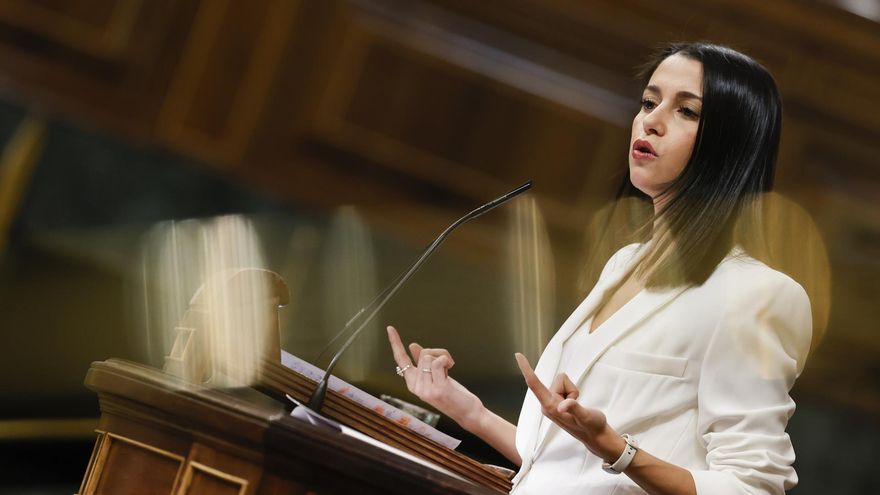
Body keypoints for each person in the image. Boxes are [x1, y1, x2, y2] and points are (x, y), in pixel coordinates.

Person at [387, 42, 813, 495]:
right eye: (649, 102)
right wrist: (468, 411)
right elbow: (570, 469)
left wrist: (617, 448)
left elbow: (752, 486)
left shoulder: (756, 295)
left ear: (732, 143)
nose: (651, 121)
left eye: (687, 111)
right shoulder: (624, 262)